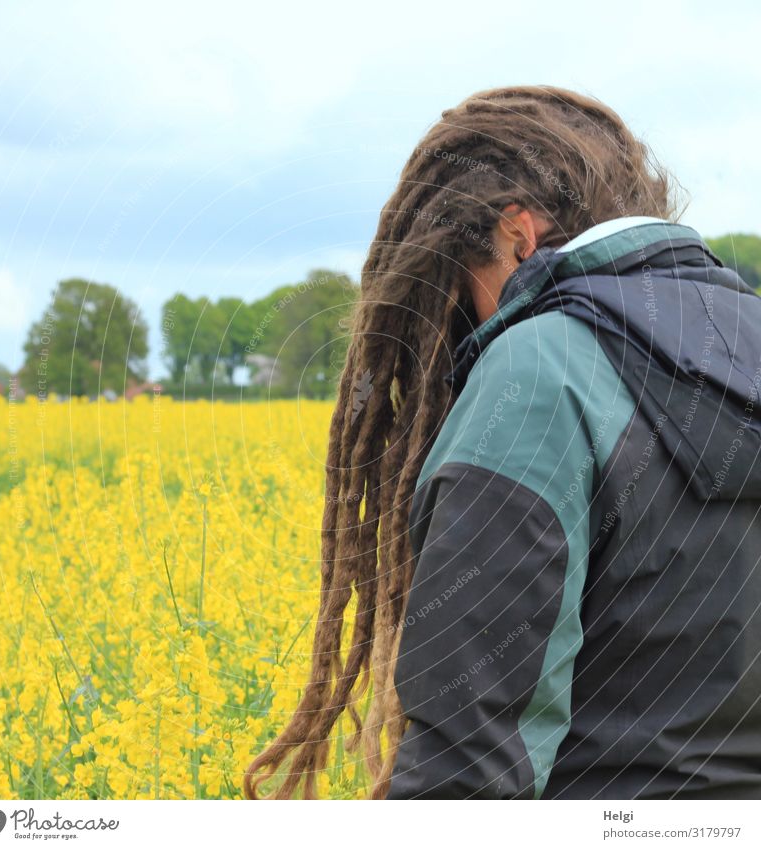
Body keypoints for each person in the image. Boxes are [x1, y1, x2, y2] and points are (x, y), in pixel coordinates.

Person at [244, 85, 761, 799]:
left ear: (516, 234)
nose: (466, 326)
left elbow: (469, 757)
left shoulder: (541, 370)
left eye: (461, 286)